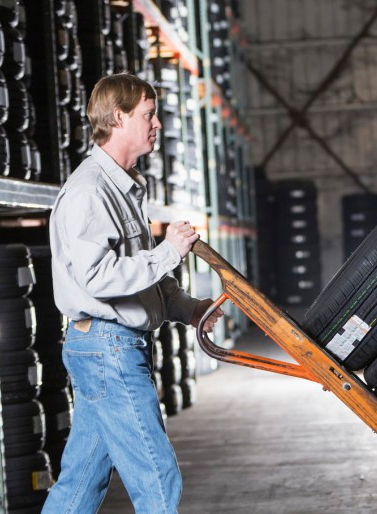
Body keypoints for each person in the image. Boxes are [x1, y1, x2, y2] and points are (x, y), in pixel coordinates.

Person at [43, 73, 222, 513]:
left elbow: (139, 276)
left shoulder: (123, 187)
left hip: (107, 345)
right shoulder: (91, 191)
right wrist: (168, 253)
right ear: (119, 117)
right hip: (107, 346)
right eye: (148, 113)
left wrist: (189, 309)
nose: (157, 123)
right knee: (156, 476)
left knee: (81, 482)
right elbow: (99, 277)